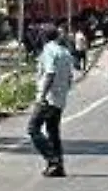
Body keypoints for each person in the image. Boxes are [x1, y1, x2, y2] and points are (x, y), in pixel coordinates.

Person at [28, 25, 74, 177]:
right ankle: (58, 166)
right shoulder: (65, 52)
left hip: (48, 98)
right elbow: (69, 78)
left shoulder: (48, 50)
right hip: (60, 99)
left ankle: (52, 159)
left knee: (33, 129)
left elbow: (49, 74)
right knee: (53, 131)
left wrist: (42, 96)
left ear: (44, 37)